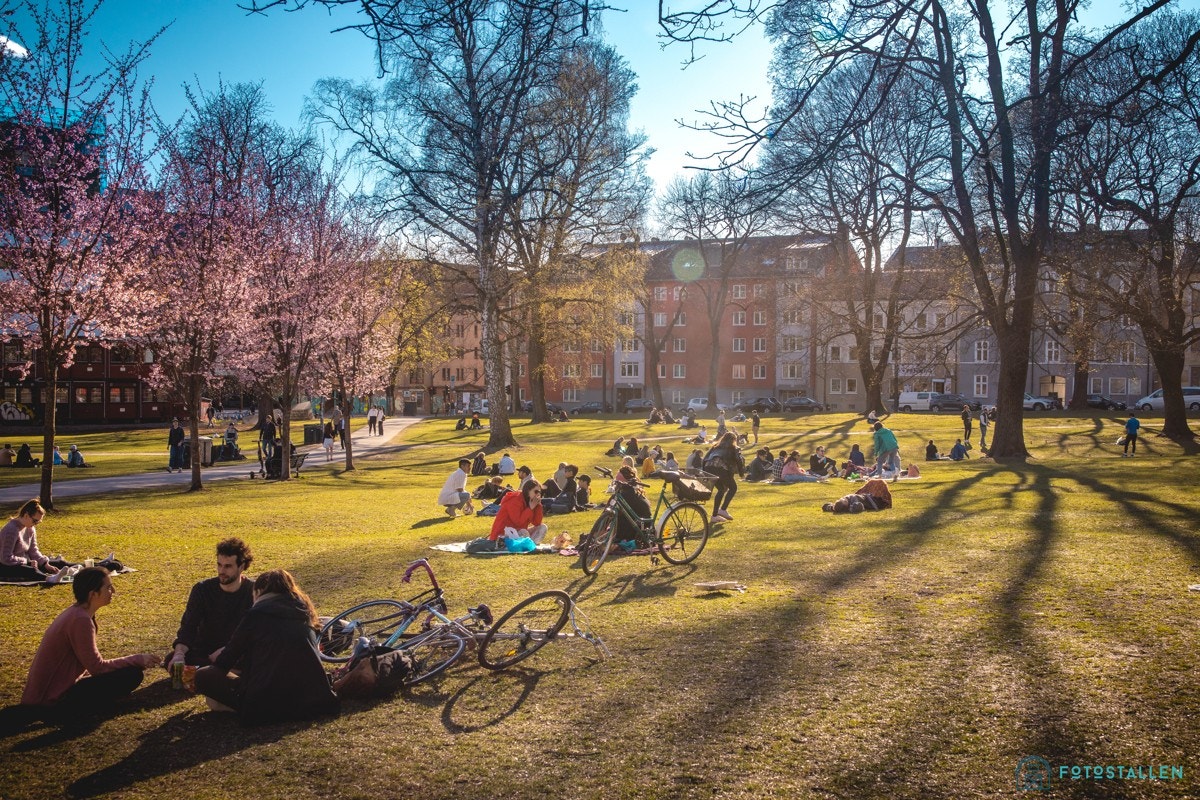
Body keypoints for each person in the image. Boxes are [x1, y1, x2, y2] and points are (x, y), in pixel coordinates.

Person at [194, 569, 339, 725]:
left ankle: (240, 706)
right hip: (312, 701)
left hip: (267, 705)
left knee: (203, 676)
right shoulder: (304, 613)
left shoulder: (255, 615)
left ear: (258, 592)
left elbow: (224, 662)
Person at [22, 567, 158, 715]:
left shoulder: (77, 613)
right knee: (131, 674)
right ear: (93, 594)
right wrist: (137, 659)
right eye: (108, 587)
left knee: (125, 673)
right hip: (50, 700)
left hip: (46, 694)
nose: (114, 591)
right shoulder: (80, 620)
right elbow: (97, 668)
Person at [167, 538, 255, 668]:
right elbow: (188, 627)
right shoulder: (202, 589)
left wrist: (229, 650)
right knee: (173, 658)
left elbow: (257, 633)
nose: (221, 571)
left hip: (236, 651)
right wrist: (179, 654)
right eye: (219, 565)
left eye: (228, 566)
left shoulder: (254, 591)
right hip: (205, 651)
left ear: (241, 567)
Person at [1, 500, 69, 581]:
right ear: (26, 515)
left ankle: (85, 567)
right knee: (31, 570)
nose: (35, 524)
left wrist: (45, 564)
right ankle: (50, 579)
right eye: (35, 521)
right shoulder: (11, 530)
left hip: (20, 561)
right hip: (4, 565)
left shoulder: (30, 528)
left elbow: (33, 550)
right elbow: (5, 558)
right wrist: (26, 561)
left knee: (57, 563)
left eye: (38, 522)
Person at [488, 480, 547, 544]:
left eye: (539, 492)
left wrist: (538, 506)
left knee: (542, 527)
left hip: (518, 531)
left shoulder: (530, 502)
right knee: (524, 532)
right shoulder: (515, 500)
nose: (538, 494)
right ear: (528, 491)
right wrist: (530, 508)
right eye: (536, 491)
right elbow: (518, 522)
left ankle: (532, 545)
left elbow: (537, 523)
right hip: (502, 535)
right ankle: (528, 545)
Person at [703, 432, 744, 521]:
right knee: (733, 488)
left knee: (721, 489)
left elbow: (704, 459)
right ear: (734, 440)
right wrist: (741, 473)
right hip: (720, 469)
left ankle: (714, 516)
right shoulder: (733, 448)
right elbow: (738, 460)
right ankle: (723, 509)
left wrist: (704, 472)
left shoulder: (715, 447)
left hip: (708, 468)